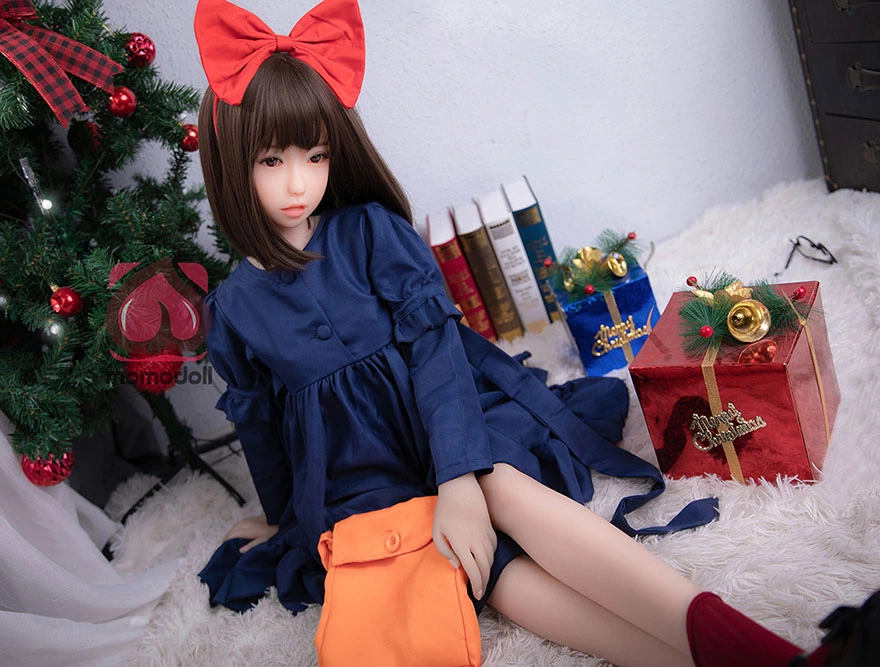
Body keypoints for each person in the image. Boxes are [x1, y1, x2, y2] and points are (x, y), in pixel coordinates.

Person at [191, 1, 872, 665]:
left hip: (441, 420)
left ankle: (763, 649)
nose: (299, 182)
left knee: (498, 488)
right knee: (491, 578)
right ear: (231, 163)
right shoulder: (235, 309)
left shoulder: (368, 232)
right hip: (360, 480)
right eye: (272, 161)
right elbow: (263, 427)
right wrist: (279, 518)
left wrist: (457, 474)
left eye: (315, 155)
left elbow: (435, 353)